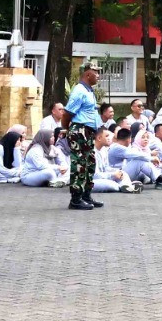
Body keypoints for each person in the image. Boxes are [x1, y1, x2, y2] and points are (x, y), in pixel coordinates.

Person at [63, 60, 104, 211]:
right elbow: (67, 114)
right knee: (79, 165)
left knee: (90, 164)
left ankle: (86, 195)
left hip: (88, 132)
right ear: (88, 74)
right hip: (80, 130)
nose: (98, 75)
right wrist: (66, 130)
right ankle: (75, 199)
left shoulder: (88, 90)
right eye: (96, 72)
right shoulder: (79, 91)